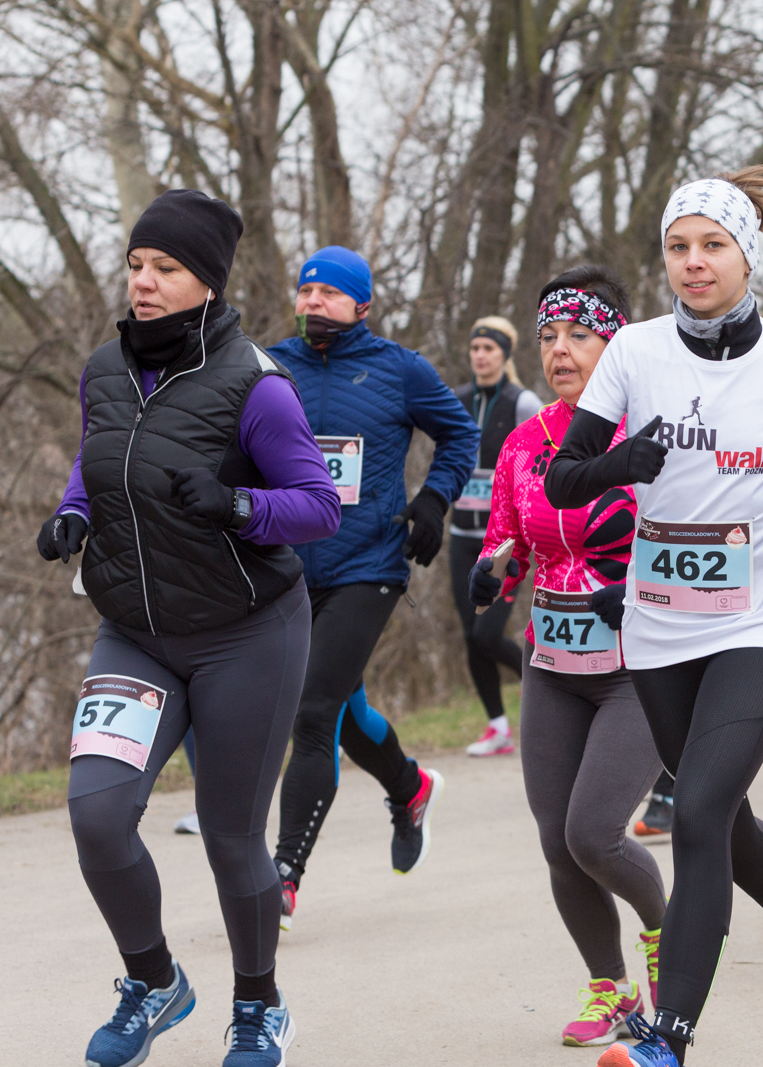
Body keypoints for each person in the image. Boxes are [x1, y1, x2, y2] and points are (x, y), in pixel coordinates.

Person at [542, 167, 763, 1067]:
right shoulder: (635, 353)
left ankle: (667, 1038)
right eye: (678, 248)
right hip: (658, 622)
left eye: (712, 246)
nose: (693, 263)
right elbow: (561, 478)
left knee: (696, 809)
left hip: (762, 615)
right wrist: (623, 465)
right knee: (721, 819)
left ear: (746, 255)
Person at [41, 189, 339, 1067]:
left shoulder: (257, 383)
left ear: (206, 283)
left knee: (230, 833)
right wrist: (72, 516)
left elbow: (318, 508)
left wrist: (238, 502)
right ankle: (155, 979)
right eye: (136, 264)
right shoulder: (103, 369)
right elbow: (98, 463)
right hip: (134, 629)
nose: (143, 281)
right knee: (97, 814)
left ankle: (257, 1004)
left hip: (247, 631)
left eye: (165, 268)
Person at [470, 267, 667, 1047]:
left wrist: (643, 586)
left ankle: (667, 935)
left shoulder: (647, 430)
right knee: (557, 841)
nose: (558, 349)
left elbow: (696, 534)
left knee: (595, 833)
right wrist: (495, 574)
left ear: (614, 340)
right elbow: (509, 536)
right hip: (552, 661)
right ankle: (608, 987)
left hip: (637, 663)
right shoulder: (526, 440)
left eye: (577, 334)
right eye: (548, 335)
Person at [268, 245, 480, 928]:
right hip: (287, 566)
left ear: (361, 305)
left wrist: (433, 501)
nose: (312, 304)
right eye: (305, 292)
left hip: (369, 563)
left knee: (311, 706)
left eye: (328, 294)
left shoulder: (399, 369)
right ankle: (408, 786)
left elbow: (460, 434)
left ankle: (283, 874)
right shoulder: (270, 367)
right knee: (339, 702)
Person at [450, 316, 542, 757]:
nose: (481, 356)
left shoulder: (521, 401)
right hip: (459, 533)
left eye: (489, 349)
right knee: (470, 636)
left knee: (488, 636)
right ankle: (498, 727)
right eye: (475, 349)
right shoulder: (457, 399)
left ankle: (543, 680)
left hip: (503, 540)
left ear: (505, 355)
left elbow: (546, 454)